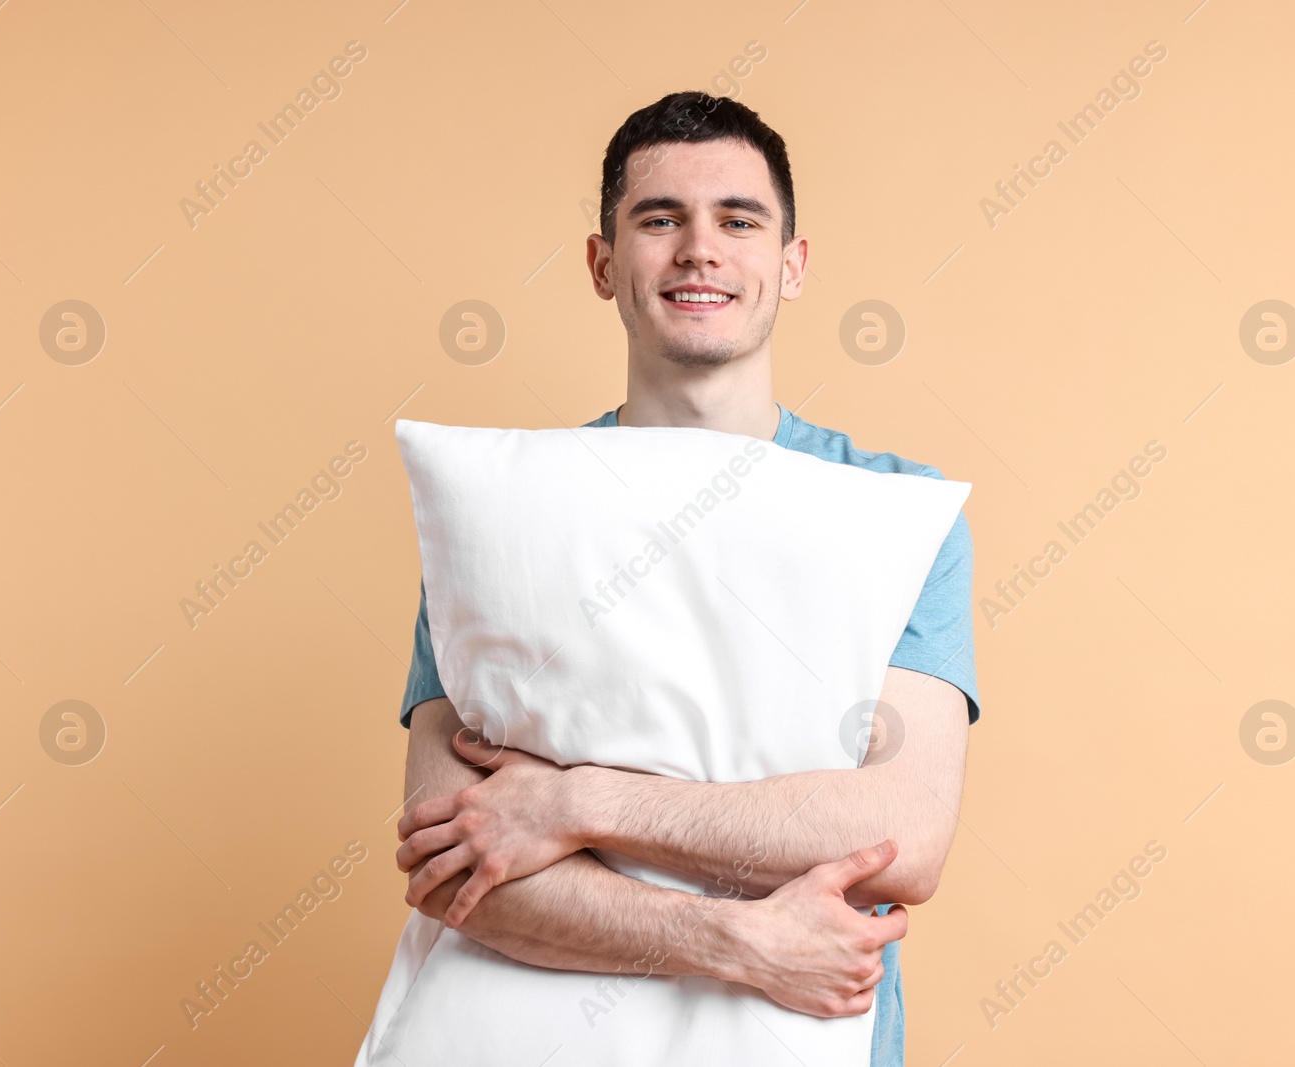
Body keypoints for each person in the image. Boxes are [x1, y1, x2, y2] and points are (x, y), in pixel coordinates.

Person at [392, 90, 979, 1065]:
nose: (699, 249)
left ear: (791, 264)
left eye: (737, 220)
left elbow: (904, 830)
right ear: (601, 263)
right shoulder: (504, 509)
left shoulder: (897, 512)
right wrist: (737, 942)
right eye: (658, 218)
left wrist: (580, 803)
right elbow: (453, 863)